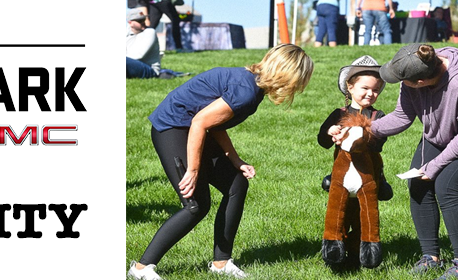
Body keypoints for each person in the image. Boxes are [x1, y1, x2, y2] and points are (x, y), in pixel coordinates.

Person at [130, 45, 314, 280]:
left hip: (192, 129)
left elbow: (215, 124)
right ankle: (141, 268)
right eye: (300, 80)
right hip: (173, 129)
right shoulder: (245, 91)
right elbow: (200, 122)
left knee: (236, 184)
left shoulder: (253, 88)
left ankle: (221, 263)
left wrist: (235, 161)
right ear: (288, 74)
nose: (299, 87)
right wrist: (193, 170)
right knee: (195, 205)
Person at [327, 44, 458, 279]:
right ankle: (430, 258)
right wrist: (359, 130)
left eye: (403, 81)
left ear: (420, 82)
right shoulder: (413, 69)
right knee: (418, 184)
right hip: (440, 134)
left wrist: (435, 165)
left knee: (447, 188)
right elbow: (402, 116)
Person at [317, 55, 392, 268]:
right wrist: (330, 131)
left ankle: (359, 251)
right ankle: (335, 249)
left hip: (368, 175)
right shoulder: (339, 114)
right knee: (341, 212)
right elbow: (322, 141)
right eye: (365, 88)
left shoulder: (378, 115)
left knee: (363, 215)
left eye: (375, 90)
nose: (371, 93)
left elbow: (378, 145)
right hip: (343, 172)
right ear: (350, 87)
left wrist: (363, 134)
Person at [127, 10, 187, 79]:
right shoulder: (127, 33)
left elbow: (138, 56)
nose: (143, 23)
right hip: (132, 66)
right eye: (139, 21)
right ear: (130, 23)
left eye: (144, 20)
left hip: (149, 69)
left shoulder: (150, 32)